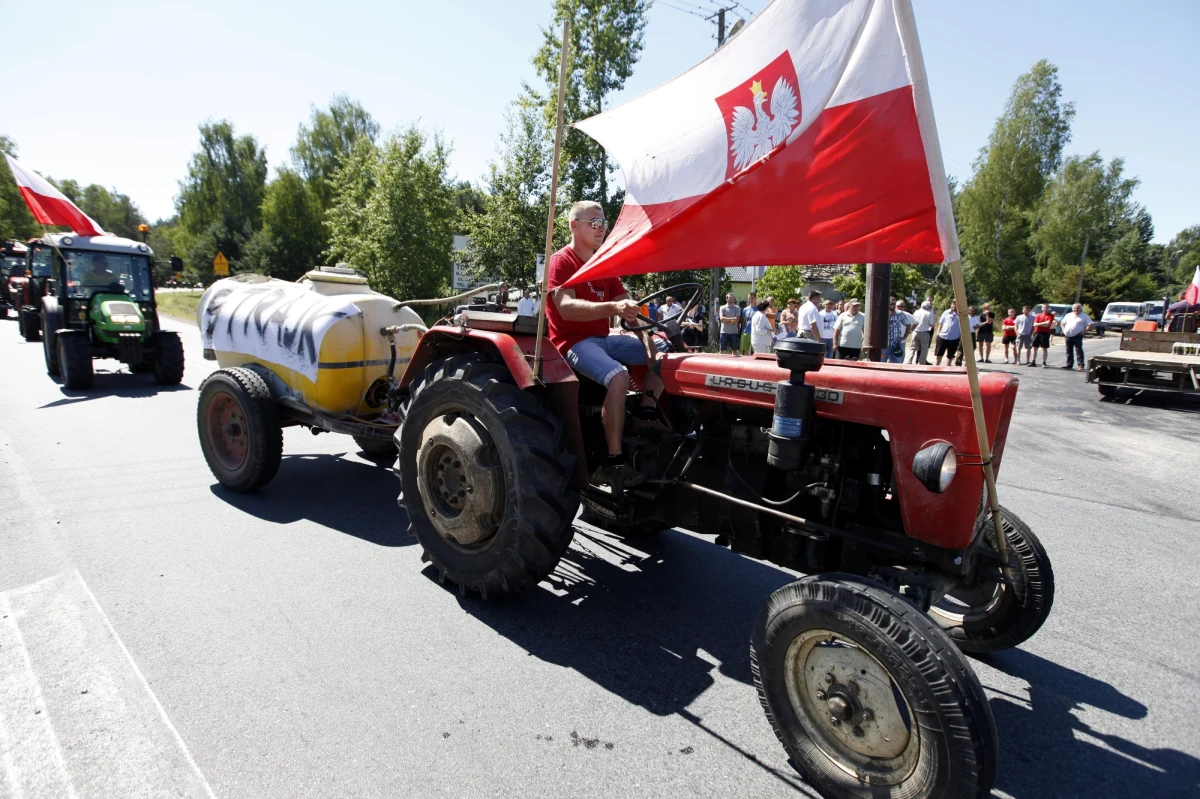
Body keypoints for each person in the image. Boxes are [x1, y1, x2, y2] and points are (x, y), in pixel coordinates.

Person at [547, 200, 662, 488]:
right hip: (572, 342)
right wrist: (614, 307)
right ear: (575, 226)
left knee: (667, 352)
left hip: (603, 340)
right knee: (617, 375)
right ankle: (614, 461)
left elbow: (630, 311)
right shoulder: (562, 261)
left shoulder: (605, 266)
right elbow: (567, 308)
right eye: (594, 223)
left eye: (603, 224)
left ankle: (647, 414)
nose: (601, 229)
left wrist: (648, 340)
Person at [1059, 303, 1092, 370]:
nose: (1076, 309)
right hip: (1068, 335)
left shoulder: (1084, 316)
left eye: (1077, 308)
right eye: (1074, 308)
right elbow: (1062, 323)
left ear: (1080, 308)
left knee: (1078, 350)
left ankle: (1080, 365)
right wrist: (1063, 330)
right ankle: (1069, 364)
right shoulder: (1068, 315)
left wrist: (1084, 331)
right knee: (1068, 350)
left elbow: (1090, 324)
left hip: (1078, 335)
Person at [907, 300, 935, 364]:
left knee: (913, 347)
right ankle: (921, 362)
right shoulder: (928, 313)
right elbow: (932, 324)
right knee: (924, 349)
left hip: (915, 331)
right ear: (928, 307)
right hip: (924, 332)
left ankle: (909, 361)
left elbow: (912, 321)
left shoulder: (916, 312)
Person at [934, 301, 961, 366]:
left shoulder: (960, 314)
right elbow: (941, 323)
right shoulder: (946, 312)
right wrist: (938, 334)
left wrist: (960, 337)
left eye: (956, 304)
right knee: (939, 353)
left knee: (950, 355)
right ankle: (937, 367)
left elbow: (963, 326)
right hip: (943, 336)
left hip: (954, 337)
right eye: (953, 304)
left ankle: (947, 367)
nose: (954, 305)